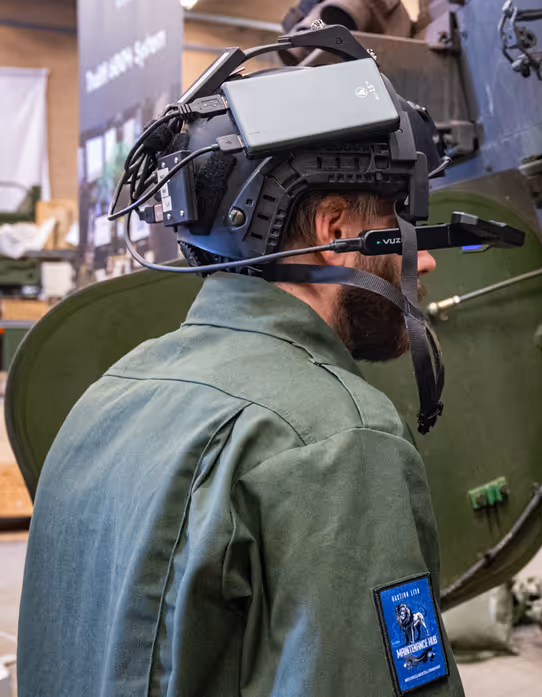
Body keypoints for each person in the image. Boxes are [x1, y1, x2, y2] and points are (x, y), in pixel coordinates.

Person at [18, 41, 464, 696]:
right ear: (334, 229)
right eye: (402, 220)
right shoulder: (335, 438)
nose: (422, 258)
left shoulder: (106, 398)